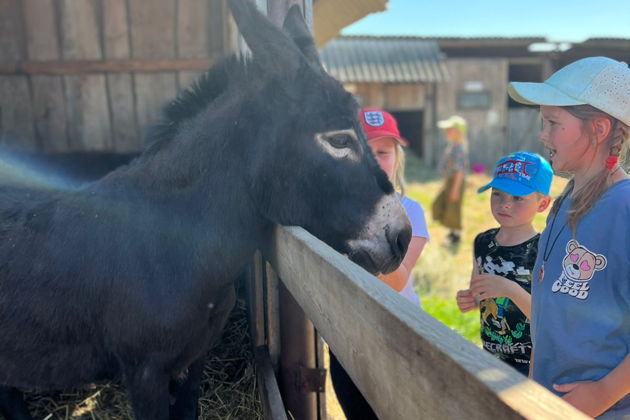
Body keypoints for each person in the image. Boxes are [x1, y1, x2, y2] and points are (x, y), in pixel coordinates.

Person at [508, 56, 630, 419]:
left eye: (554, 123)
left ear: (599, 129)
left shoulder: (624, 208)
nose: (542, 135)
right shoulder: (565, 203)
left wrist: (602, 393)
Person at [329, 107, 430, 419]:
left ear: (397, 157)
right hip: (347, 329)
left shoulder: (410, 213)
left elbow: (397, 279)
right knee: (355, 410)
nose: (375, 161)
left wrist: (350, 249)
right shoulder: (330, 211)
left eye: (383, 152)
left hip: (394, 331)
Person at [455, 152, 552, 376]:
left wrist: (510, 290)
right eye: (497, 194)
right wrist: (471, 300)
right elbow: (479, 294)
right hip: (491, 356)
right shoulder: (483, 242)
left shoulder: (543, 250)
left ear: (543, 204)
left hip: (531, 363)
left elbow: (546, 318)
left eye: (518, 198)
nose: (505, 205)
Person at [432, 115, 468, 250]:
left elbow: (459, 171)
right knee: (443, 206)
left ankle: (455, 236)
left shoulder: (459, 148)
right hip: (450, 181)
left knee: (454, 209)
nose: (446, 132)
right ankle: (452, 232)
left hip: (456, 182)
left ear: (458, 131)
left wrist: (455, 189)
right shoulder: (452, 146)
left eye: (449, 129)